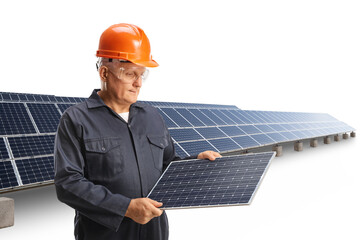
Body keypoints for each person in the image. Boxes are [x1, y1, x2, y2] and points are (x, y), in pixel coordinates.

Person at [54, 23, 221, 240]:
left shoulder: (152, 117)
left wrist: (195, 163)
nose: (138, 83)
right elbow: (68, 184)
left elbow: (167, 165)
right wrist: (126, 207)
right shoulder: (76, 119)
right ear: (104, 72)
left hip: (155, 233)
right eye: (131, 74)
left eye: (142, 74)